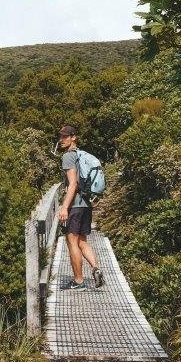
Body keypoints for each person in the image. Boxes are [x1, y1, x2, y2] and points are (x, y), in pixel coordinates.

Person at [56, 124, 104, 290]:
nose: (61, 140)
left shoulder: (68, 156)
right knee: (82, 241)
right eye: (60, 137)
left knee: (72, 242)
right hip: (85, 204)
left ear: (73, 137)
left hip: (75, 205)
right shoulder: (82, 155)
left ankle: (78, 281)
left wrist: (64, 207)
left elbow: (73, 184)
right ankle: (96, 268)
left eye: (65, 136)